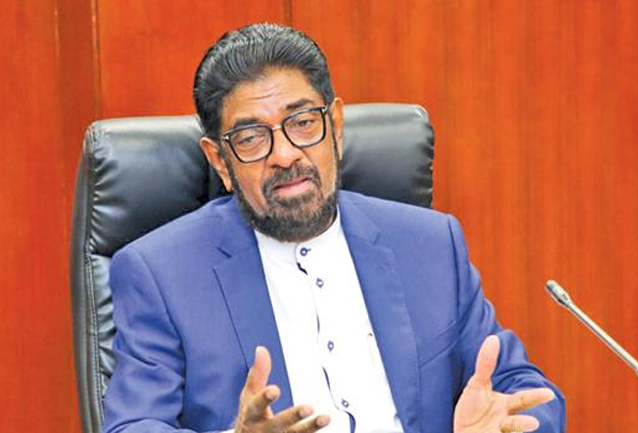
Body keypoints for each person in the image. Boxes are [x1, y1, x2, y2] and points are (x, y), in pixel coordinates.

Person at [102, 23, 566, 433]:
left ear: (336, 127)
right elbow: (132, 425)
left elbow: (523, 389)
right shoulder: (161, 273)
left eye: (303, 123)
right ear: (220, 161)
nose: (285, 154)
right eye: (251, 138)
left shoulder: (430, 245)